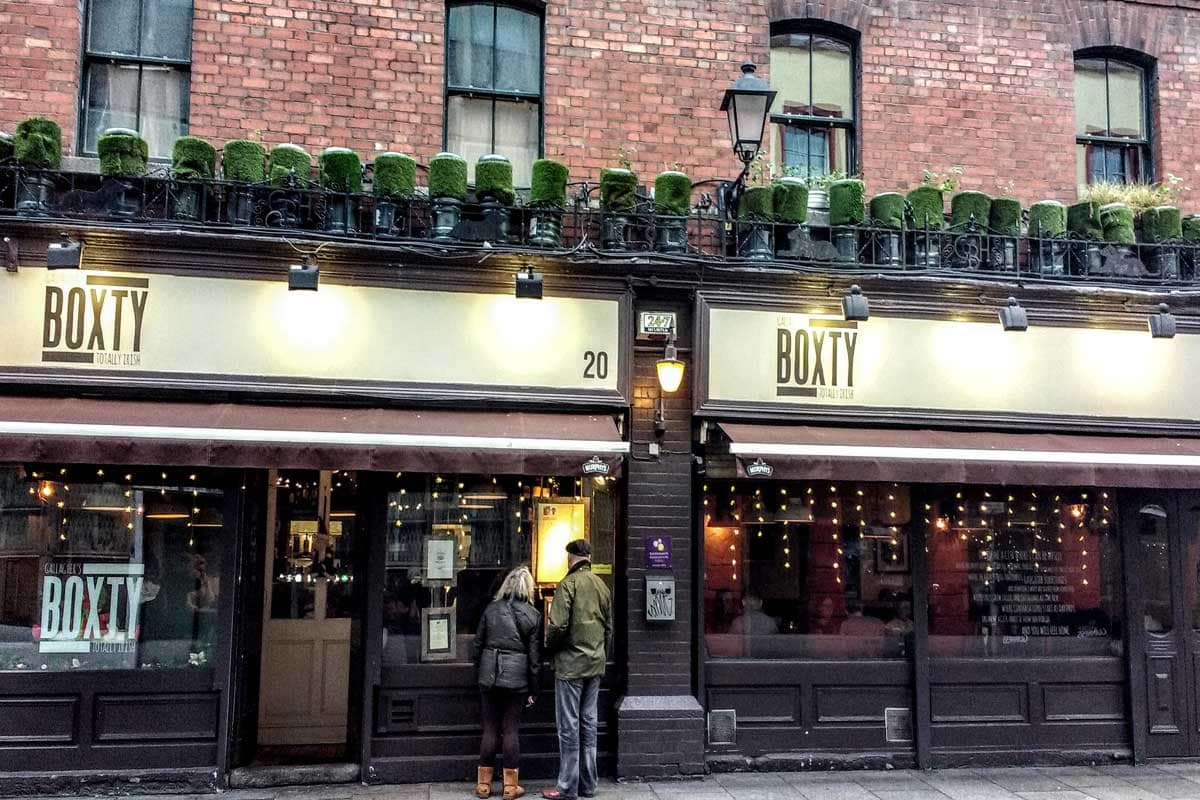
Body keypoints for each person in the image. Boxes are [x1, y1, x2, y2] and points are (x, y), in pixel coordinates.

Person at [541, 539, 612, 800]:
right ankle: (589, 784)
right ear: (589, 558)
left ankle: (567, 786)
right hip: (595, 664)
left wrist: (550, 647)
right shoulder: (601, 586)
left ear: (571, 558)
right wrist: (600, 654)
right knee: (589, 722)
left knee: (569, 725)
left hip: (570, 666)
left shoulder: (567, 585)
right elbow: (609, 629)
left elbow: (557, 626)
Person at [472, 566, 541, 800]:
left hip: (489, 676)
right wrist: (534, 688)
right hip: (517, 679)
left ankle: (483, 785)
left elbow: (477, 645)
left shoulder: (491, 609)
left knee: (490, 728)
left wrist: (479, 671)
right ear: (528, 588)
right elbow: (534, 659)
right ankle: (510, 788)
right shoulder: (533, 615)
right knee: (510, 729)